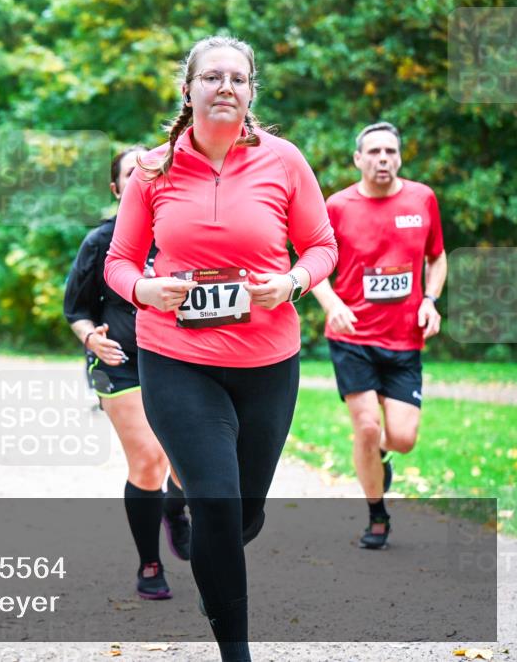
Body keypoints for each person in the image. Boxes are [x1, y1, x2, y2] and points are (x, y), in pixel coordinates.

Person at [104, 36, 338, 661]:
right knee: (218, 504)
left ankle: (208, 546)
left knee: (240, 520)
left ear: (252, 91)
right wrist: (145, 289)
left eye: (238, 77)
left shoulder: (285, 162)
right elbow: (119, 262)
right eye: (212, 77)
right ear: (190, 89)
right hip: (177, 358)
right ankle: (236, 649)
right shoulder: (153, 170)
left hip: (268, 361)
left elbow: (322, 247)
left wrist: (290, 282)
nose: (225, 86)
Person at [310, 121, 446, 550]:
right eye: (373, 152)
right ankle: (377, 515)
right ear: (358, 159)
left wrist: (431, 300)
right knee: (366, 426)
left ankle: (378, 457)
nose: (382, 159)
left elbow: (437, 258)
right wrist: (333, 305)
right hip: (352, 337)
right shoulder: (337, 206)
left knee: (402, 439)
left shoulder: (422, 198)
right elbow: (314, 267)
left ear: (400, 157)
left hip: (405, 339)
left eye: (390, 151)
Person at [64, 145, 191, 601]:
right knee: (149, 458)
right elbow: (75, 310)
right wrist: (89, 337)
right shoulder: (101, 242)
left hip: (176, 359)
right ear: (118, 188)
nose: (143, 180)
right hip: (115, 359)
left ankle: (174, 510)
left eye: (151, 173)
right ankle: (149, 562)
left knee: (184, 460)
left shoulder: (182, 234)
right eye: (131, 175)